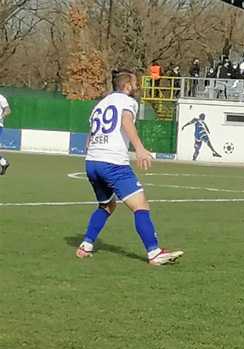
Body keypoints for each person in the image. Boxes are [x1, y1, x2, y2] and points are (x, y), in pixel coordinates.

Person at [76, 70, 183, 265]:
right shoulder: (128, 101)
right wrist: (139, 149)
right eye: (135, 84)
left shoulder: (100, 104)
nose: (137, 87)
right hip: (113, 163)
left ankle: (86, 245)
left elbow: (90, 137)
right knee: (140, 206)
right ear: (126, 86)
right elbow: (126, 120)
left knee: (107, 205)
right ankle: (154, 252)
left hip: (92, 161)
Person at [0, 92, 11, 175]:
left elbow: (8, 110)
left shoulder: (1, 98)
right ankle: (3, 162)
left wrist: (1, 117)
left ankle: (4, 162)